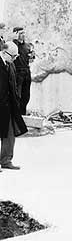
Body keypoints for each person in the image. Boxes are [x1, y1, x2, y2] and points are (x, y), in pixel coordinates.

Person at [0, 41, 28, 171]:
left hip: (9, 106)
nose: (15, 58)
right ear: (4, 53)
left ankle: (6, 160)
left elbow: (13, 84)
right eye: (13, 56)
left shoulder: (11, 65)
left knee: (9, 134)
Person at [12, 27, 34, 115]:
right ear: (16, 33)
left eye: (24, 33)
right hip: (17, 72)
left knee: (26, 95)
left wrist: (32, 56)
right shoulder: (13, 45)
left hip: (26, 71)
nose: (23, 35)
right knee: (17, 95)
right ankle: (16, 116)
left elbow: (31, 59)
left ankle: (23, 115)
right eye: (20, 33)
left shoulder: (28, 45)